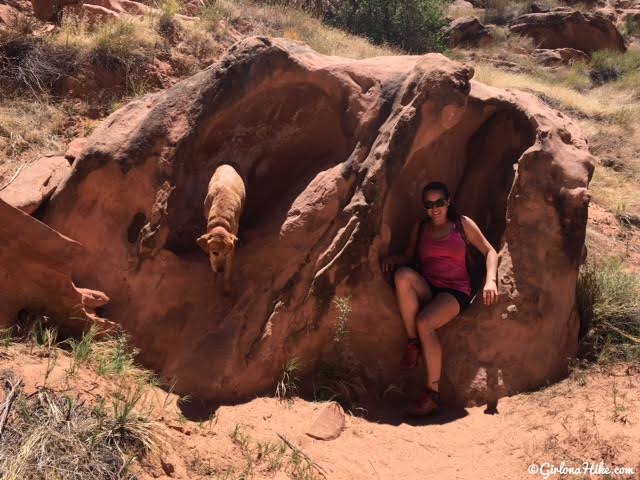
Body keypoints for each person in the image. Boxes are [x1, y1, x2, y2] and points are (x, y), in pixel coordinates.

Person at [382, 181, 499, 416]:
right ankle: (413, 342)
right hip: (429, 286)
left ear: (448, 202)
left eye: (439, 203)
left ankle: (432, 394)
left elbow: (490, 251)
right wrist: (394, 259)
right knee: (403, 276)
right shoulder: (422, 227)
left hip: (455, 291)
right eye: (429, 204)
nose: (434, 209)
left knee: (425, 322)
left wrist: (491, 280)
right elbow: (408, 257)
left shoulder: (462, 225)